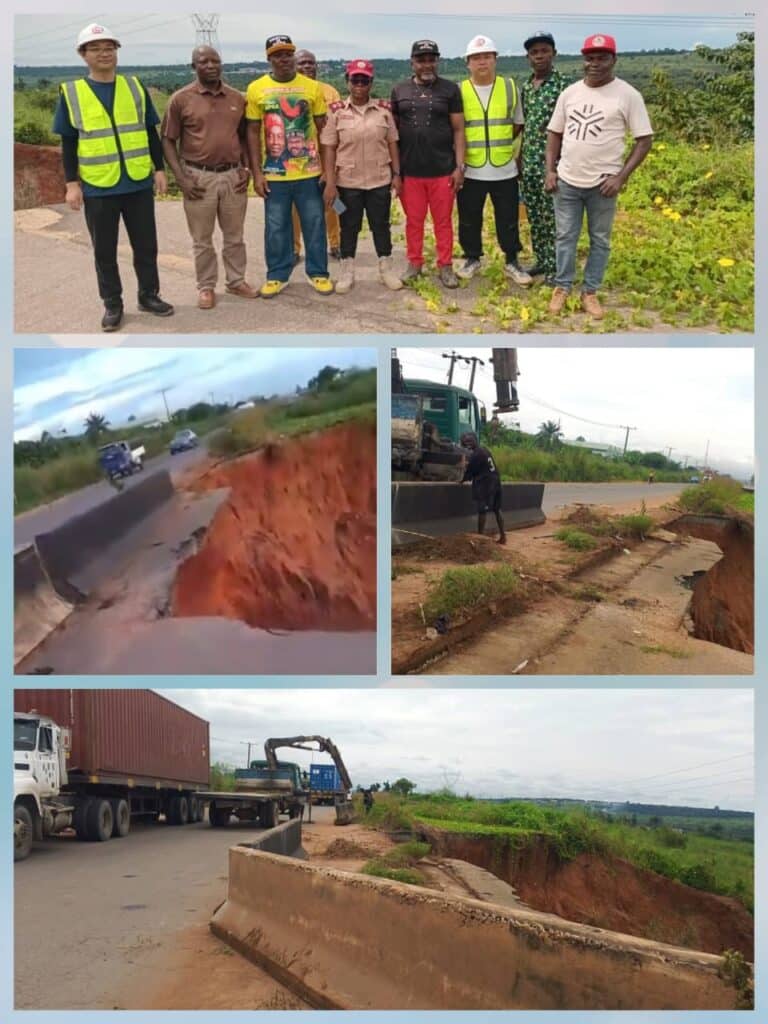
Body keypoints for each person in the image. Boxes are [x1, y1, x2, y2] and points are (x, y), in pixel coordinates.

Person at [53, 23, 174, 331]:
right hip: (98, 186)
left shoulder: (134, 86)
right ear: (84, 55)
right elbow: (69, 142)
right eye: (96, 48)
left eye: (110, 47)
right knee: (104, 251)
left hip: (136, 182)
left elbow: (150, 132)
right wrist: (71, 184)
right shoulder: (72, 93)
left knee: (146, 246)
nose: (104, 53)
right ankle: (113, 304)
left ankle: (149, 295)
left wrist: (159, 169)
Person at [545, 34, 653, 319]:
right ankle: (562, 287)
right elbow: (554, 132)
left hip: (603, 186)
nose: (595, 64)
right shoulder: (570, 93)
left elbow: (644, 140)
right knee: (565, 237)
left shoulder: (628, 95)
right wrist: (550, 171)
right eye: (590, 58)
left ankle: (590, 291)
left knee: (600, 240)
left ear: (613, 60)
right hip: (567, 180)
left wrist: (621, 177)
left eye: (602, 58)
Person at [161, 46, 257, 310]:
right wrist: (180, 177)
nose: (211, 65)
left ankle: (236, 281)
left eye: (216, 61)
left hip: (232, 176)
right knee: (202, 239)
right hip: (198, 177)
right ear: (194, 66)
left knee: (235, 236)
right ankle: (206, 287)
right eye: (204, 61)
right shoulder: (180, 100)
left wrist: (246, 169)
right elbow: (168, 141)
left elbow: (244, 137)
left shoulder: (237, 98)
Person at [245, 34, 334, 297]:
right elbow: (251, 132)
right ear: (269, 59)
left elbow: (324, 132)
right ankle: (277, 274)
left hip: (310, 172)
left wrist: (329, 173)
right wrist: (256, 173)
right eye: (278, 55)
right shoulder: (256, 89)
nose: (284, 59)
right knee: (275, 227)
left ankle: (318, 272)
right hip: (274, 173)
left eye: (287, 54)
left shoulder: (311, 87)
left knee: (315, 223)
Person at [322, 59, 403, 294]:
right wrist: (330, 182)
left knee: (381, 225)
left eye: (364, 80)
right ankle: (347, 271)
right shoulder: (336, 112)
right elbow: (329, 148)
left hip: (379, 179)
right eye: (355, 79)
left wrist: (396, 174)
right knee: (349, 226)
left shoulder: (384, 111)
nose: (359, 84)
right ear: (347, 82)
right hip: (347, 182)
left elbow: (392, 144)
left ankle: (386, 269)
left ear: (371, 82)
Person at [456, 35, 531, 287]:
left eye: (487, 56)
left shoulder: (510, 87)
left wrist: (500, 144)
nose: (482, 62)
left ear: (495, 60)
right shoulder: (459, 90)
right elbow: (455, 129)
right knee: (469, 218)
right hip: (471, 169)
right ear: (468, 63)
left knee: (508, 218)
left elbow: (518, 123)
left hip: (504, 169)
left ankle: (512, 260)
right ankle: (472, 258)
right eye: (476, 58)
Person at [391, 40, 464, 288]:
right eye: (421, 59)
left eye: (431, 59)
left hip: (443, 170)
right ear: (412, 62)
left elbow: (458, 130)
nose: (426, 64)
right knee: (414, 221)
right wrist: (396, 173)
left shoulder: (450, 89)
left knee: (443, 222)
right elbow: (393, 135)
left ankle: (445, 266)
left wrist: (459, 167)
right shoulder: (398, 90)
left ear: (437, 61)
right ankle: (415, 263)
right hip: (411, 172)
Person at [520, 31, 569, 284]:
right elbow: (527, 125)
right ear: (528, 57)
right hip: (529, 163)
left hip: (553, 165)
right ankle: (542, 261)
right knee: (536, 217)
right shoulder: (527, 86)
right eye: (534, 52)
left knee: (554, 219)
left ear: (554, 54)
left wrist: (558, 165)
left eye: (544, 51)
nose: (539, 56)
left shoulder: (564, 86)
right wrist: (519, 158)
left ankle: (557, 269)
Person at [292, 49, 342, 264]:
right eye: (302, 63)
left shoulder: (329, 91)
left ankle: (336, 243)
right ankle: (294, 249)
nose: (307, 67)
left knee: (334, 203)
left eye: (311, 63)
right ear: (294, 66)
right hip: (298, 159)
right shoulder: (289, 91)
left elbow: (339, 123)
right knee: (294, 208)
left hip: (327, 156)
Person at [459, 431, 506, 544]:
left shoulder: (476, 455)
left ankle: (480, 538)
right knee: (497, 509)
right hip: (496, 481)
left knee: (482, 510)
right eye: (466, 443)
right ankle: (503, 536)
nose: (468, 444)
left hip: (486, 484)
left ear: (475, 441)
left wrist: (461, 480)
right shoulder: (485, 450)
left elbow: (469, 474)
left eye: (469, 442)